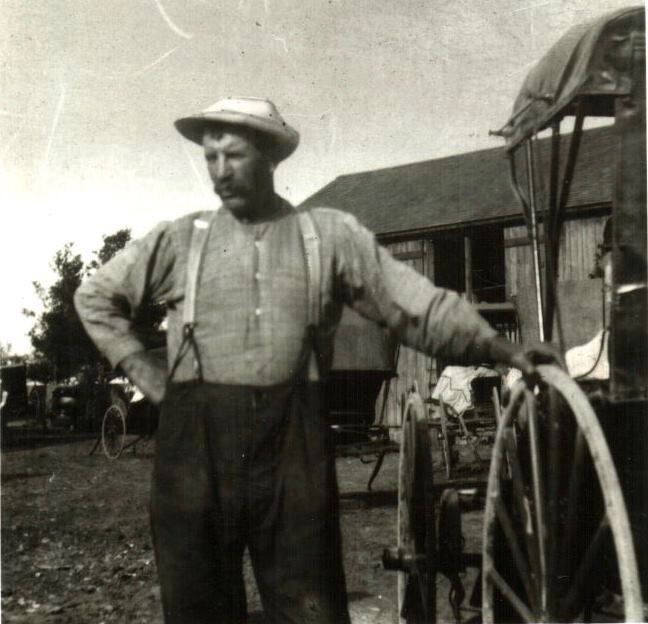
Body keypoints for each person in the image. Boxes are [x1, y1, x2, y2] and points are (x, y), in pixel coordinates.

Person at [74, 96, 557, 624]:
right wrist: (139, 364)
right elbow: (95, 296)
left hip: (291, 451)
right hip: (193, 454)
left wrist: (501, 348)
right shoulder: (180, 240)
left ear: (271, 156)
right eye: (210, 158)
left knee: (312, 611)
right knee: (197, 611)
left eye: (233, 155)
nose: (219, 171)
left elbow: (415, 306)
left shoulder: (326, 238)